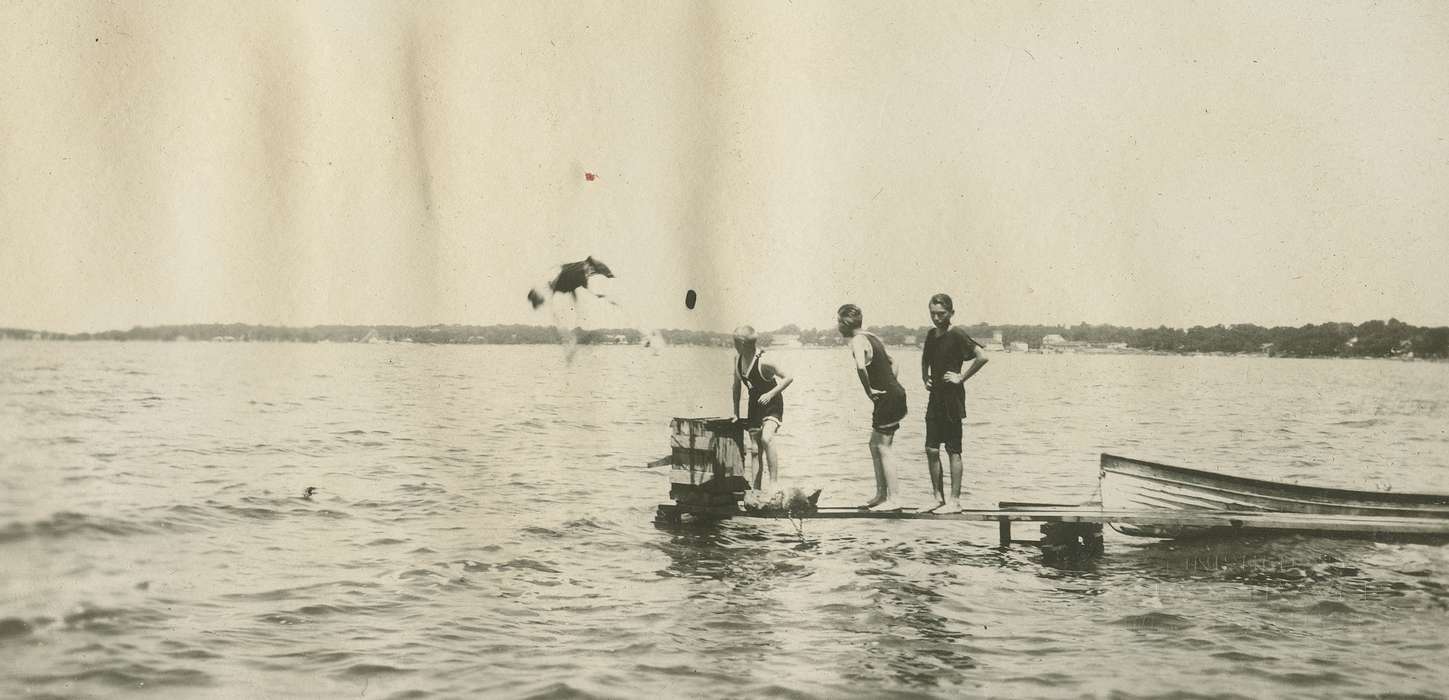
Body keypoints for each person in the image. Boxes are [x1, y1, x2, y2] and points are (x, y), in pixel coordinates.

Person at [837, 304, 909, 512]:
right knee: (874, 444)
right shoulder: (871, 336)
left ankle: (895, 499)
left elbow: (861, 366)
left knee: (884, 447)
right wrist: (891, 384)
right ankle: (881, 494)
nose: (837, 325)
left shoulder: (858, 341)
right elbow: (893, 361)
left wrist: (870, 390)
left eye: (838, 321)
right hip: (892, 396)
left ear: (844, 323)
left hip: (887, 398)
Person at [921, 293, 988, 513]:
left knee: (953, 450)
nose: (937, 318)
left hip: (952, 399)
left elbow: (982, 356)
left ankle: (955, 501)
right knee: (931, 449)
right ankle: (937, 498)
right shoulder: (931, 335)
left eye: (941, 314)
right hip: (935, 398)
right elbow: (926, 360)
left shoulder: (957, 334)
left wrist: (961, 377)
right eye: (933, 313)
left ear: (951, 313)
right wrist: (925, 377)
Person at [732, 326, 793, 492]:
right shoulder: (737, 360)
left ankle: (774, 484)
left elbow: (788, 377)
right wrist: (736, 413)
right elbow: (736, 387)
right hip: (755, 406)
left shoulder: (764, 361)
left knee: (766, 438)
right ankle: (756, 489)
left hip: (772, 404)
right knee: (754, 449)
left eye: (735, 342)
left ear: (742, 344)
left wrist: (771, 394)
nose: (734, 345)